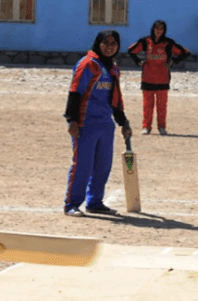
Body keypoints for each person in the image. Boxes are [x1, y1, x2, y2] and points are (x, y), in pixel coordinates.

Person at [63, 30, 132, 217]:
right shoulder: (88, 64)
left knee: (103, 166)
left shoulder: (113, 68)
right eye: (106, 43)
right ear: (98, 43)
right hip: (85, 123)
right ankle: (71, 204)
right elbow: (75, 92)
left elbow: (115, 98)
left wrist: (123, 122)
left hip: (105, 124)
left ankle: (95, 202)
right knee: (82, 166)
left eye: (113, 43)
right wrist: (72, 120)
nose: (109, 47)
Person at [127, 20, 190, 136]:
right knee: (147, 105)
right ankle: (146, 127)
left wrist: (173, 61)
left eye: (161, 29)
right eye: (157, 28)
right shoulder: (146, 41)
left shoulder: (168, 43)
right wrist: (138, 61)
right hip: (147, 78)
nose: (158, 31)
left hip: (163, 79)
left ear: (164, 30)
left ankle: (161, 127)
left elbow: (185, 52)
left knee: (162, 106)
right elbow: (131, 50)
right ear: (153, 29)